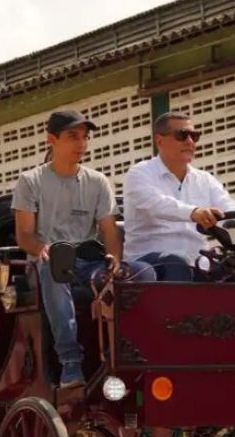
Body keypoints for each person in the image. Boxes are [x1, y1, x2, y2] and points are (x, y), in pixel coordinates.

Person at [13, 108, 155, 391]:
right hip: (47, 263)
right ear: (51, 140)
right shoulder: (31, 181)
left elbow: (110, 231)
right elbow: (24, 236)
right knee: (56, 268)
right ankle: (70, 362)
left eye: (85, 138)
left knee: (144, 272)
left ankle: (135, 353)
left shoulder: (98, 182)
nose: (82, 144)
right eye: (73, 137)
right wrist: (43, 248)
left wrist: (115, 258)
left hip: (89, 261)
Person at [122, 111, 235, 281]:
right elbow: (157, 204)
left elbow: (227, 208)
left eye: (194, 136)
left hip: (198, 263)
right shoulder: (139, 173)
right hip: (149, 263)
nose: (190, 141)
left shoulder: (205, 179)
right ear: (160, 141)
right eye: (182, 135)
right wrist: (194, 212)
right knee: (177, 263)